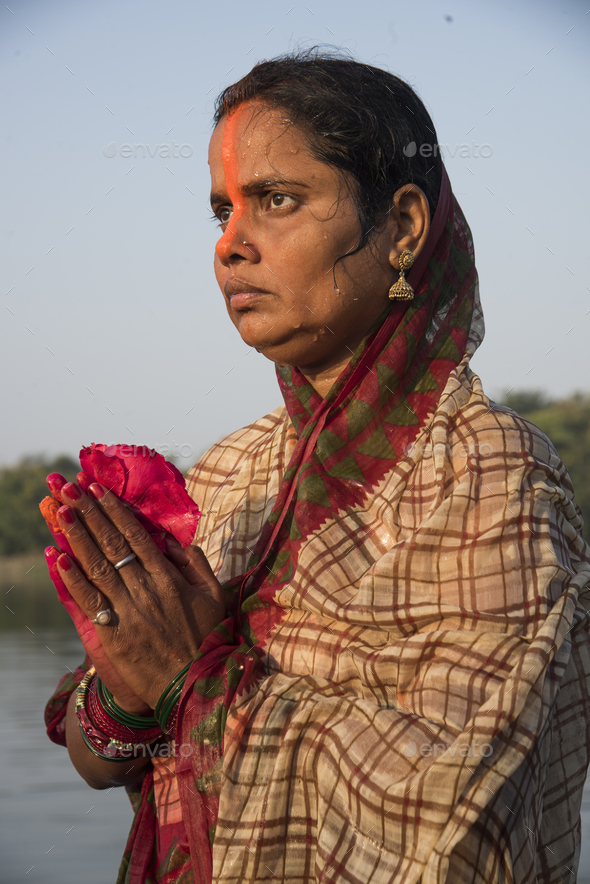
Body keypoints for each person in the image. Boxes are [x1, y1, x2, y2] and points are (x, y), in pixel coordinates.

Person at [44, 49, 590, 884]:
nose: (231, 246)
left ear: (402, 228)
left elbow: (460, 824)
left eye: (278, 201)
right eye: (222, 212)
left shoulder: (489, 473)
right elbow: (97, 753)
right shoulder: (233, 472)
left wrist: (195, 679)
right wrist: (127, 685)